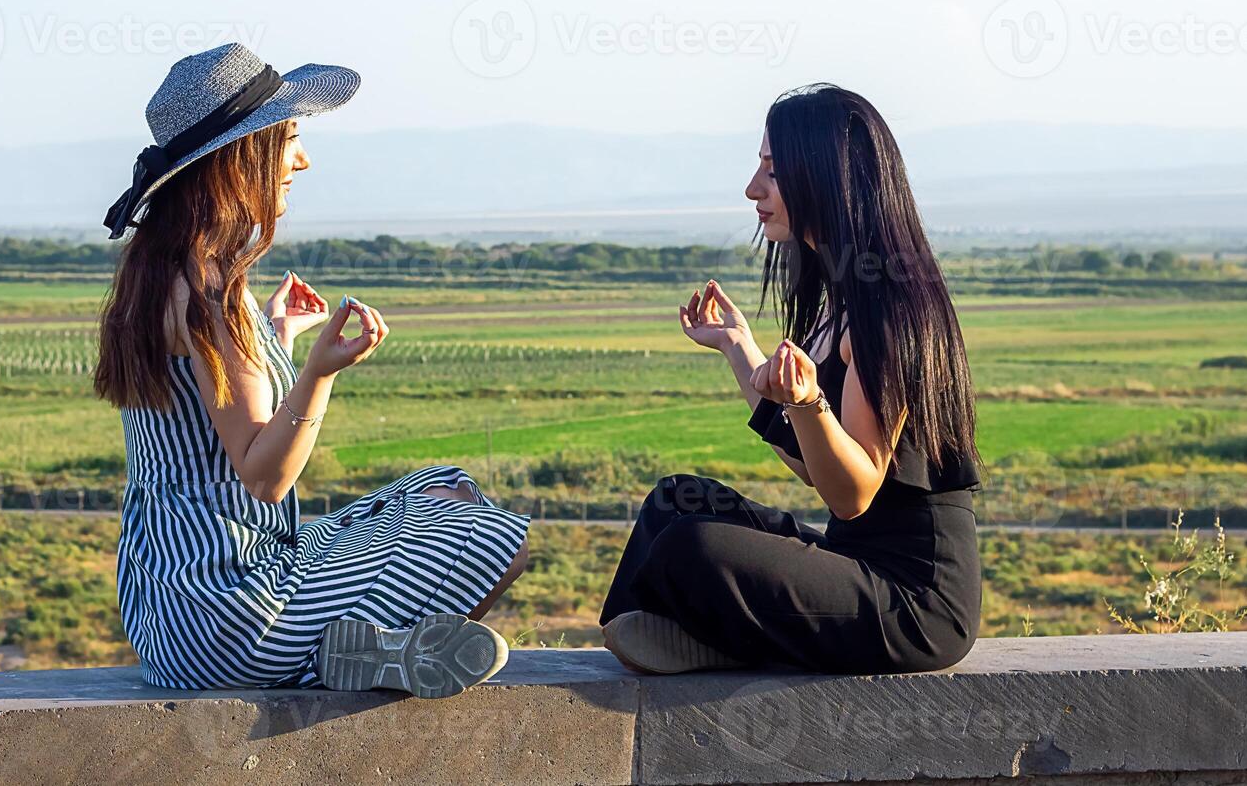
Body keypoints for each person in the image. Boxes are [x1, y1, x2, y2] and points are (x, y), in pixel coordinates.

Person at [92, 43, 529, 697]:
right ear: (244, 158)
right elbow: (266, 478)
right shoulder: (212, 292)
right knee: (491, 530)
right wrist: (319, 373)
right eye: (290, 138)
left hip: (167, 615)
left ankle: (362, 654)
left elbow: (211, 416)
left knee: (444, 485)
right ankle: (341, 661)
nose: (302, 158)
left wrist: (274, 338)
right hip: (231, 615)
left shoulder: (158, 272)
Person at [598, 83, 984, 676]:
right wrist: (739, 347)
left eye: (773, 172)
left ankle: (695, 638)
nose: (753, 188)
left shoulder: (891, 307)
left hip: (914, 602)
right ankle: (649, 639)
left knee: (692, 548)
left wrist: (808, 403)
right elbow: (814, 466)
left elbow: (852, 496)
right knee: (673, 503)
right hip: (854, 565)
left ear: (827, 177)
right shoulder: (841, 298)